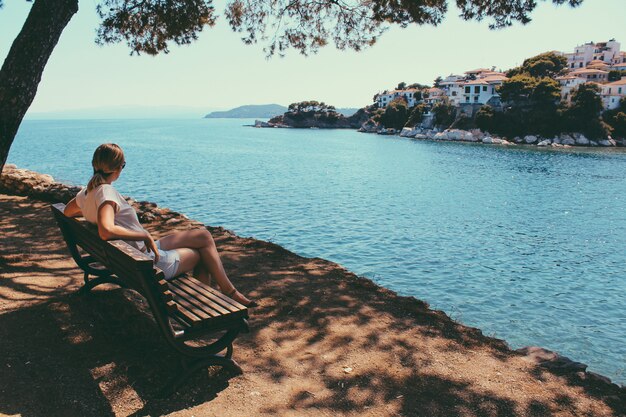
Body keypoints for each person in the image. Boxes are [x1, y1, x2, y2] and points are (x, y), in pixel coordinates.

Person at [64, 143, 255, 307]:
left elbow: (67, 211)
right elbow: (106, 231)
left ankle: (226, 291)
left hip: (135, 254)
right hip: (148, 260)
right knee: (202, 254)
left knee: (203, 235)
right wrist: (144, 236)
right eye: (123, 165)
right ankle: (211, 300)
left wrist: (93, 212)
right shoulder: (106, 192)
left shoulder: (87, 192)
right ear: (117, 169)